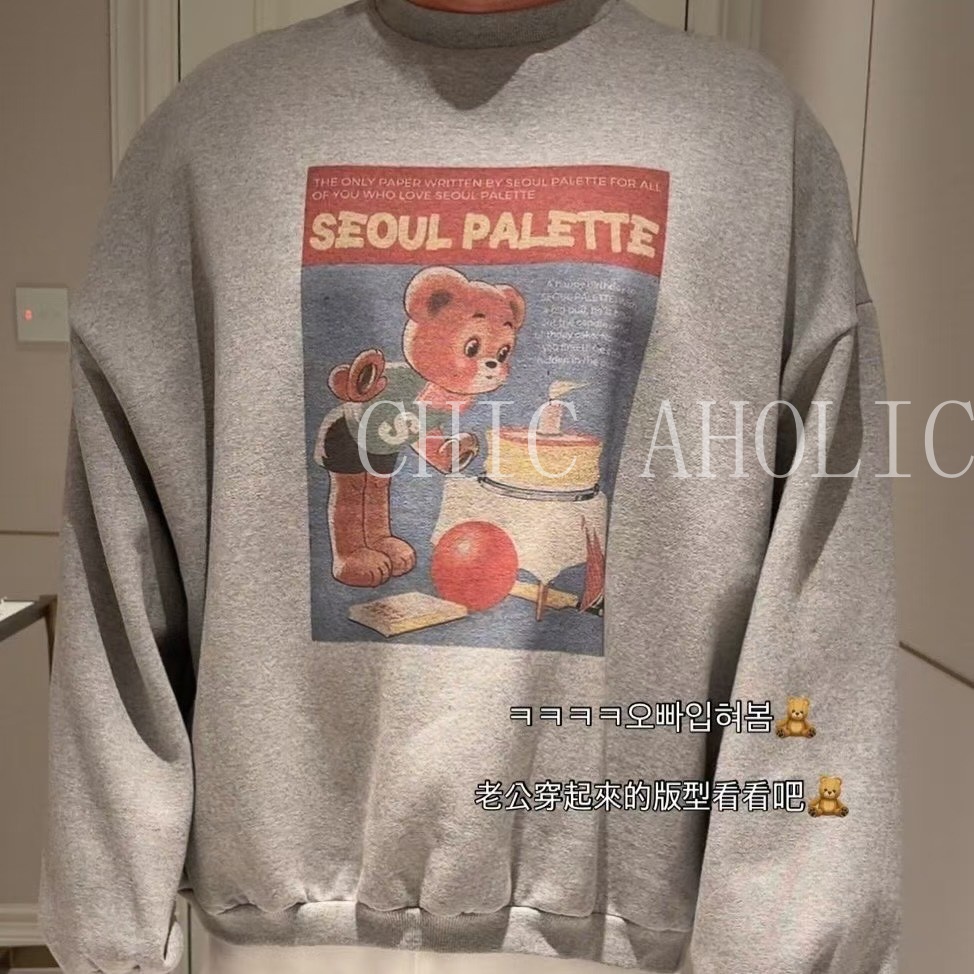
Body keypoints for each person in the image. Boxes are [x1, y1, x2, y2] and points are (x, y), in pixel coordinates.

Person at [39, 1, 902, 973]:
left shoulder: (749, 136)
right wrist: (111, 925)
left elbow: (821, 593)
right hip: (284, 924)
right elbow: (119, 553)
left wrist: (788, 936)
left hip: (638, 923)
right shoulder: (213, 135)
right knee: (370, 511)